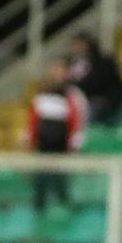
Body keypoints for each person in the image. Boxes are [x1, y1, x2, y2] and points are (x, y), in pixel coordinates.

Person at [24, 58, 86, 209]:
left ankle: (63, 204)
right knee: (41, 176)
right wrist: (29, 137)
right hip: (43, 145)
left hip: (61, 146)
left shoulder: (73, 96)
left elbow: (76, 120)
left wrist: (75, 140)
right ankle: (40, 205)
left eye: (61, 70)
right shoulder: (41, 96)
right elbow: (34, 119)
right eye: (55, 70)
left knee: (60, 177)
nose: (58, 74)